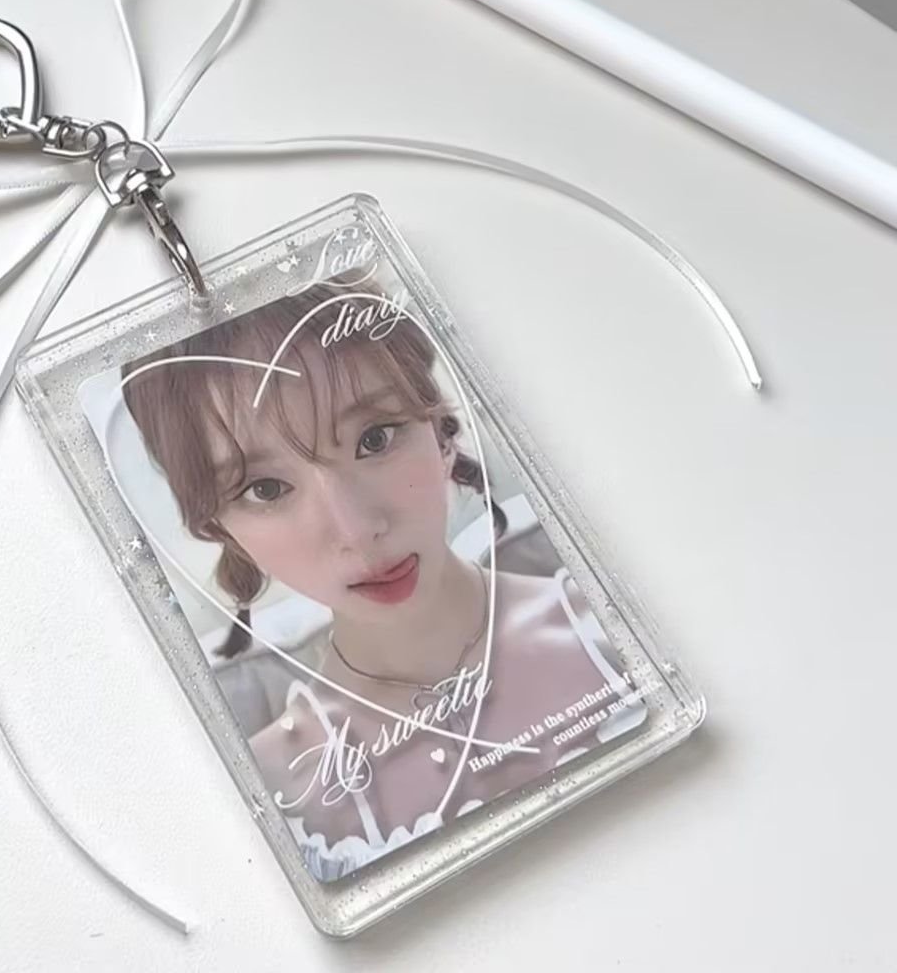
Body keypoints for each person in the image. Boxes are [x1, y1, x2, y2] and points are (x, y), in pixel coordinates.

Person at [122, 279, 644, 880]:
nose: (356, 529)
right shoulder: (268, 793)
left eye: (374, 439)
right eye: (265, 489)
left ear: (440, 430)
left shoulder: (623, 628)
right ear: (222, 527)